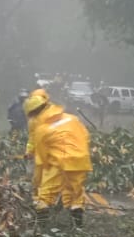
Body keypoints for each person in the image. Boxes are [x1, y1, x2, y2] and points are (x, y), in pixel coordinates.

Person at [24, 87, 92, 228]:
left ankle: (41, 229)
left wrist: (37, 182)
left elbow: (41, 160)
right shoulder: (71, 118)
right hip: (79, 159)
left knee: (46, 195)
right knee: (75, 194)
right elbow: (85, 136)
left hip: (58, 162)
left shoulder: (42, 129)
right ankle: (78, 229)